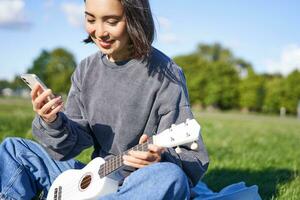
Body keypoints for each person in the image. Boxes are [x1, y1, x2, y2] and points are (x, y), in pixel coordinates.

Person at [0, 0, 209, 199]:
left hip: (136, 185)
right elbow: (70, 146)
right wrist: (52, 121)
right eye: (91, 20)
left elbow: (191, 157)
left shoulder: (166, 74)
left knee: (170, 177)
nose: (99, 32)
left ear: (136, 18)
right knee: (14, 150)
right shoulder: (85, 69)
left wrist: (158, 160)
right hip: (94, 179)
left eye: (111, 21)